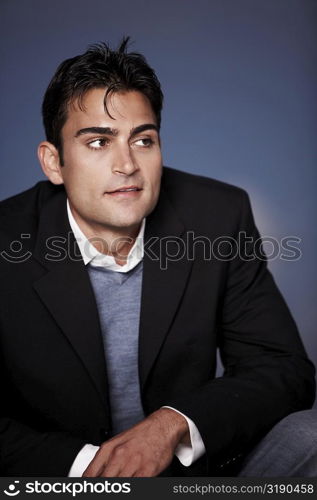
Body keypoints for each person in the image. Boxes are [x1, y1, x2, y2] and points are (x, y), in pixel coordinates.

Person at [0, 38, 316, 478]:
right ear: (54, 162)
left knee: (309, 436)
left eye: (143, 140)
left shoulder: (218, 215)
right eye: (98, 142)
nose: (126, 164)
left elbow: (283, 368)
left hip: (190, 475)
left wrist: (171, 426)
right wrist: (92, 467)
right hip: (56, 478)